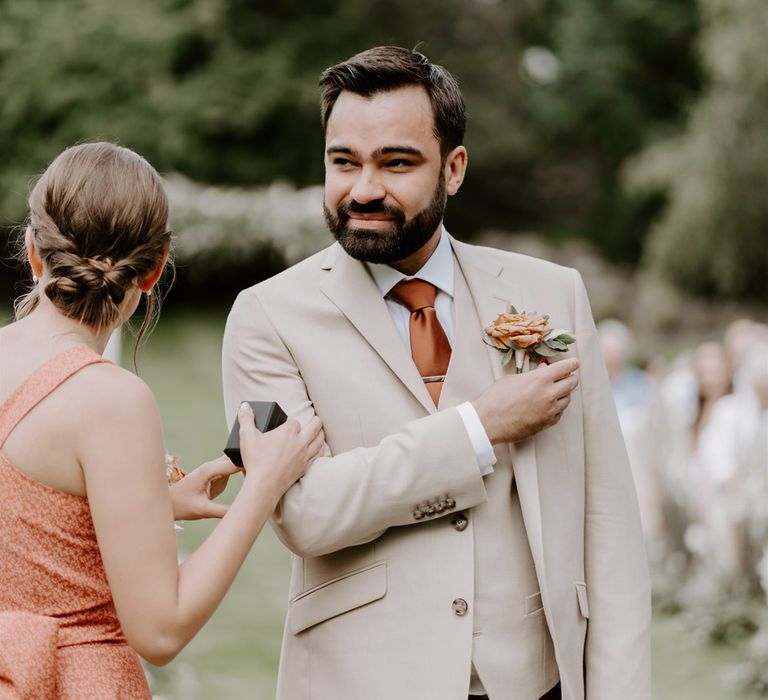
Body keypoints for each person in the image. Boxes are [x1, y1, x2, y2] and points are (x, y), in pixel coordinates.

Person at [223, 47, 650, 700]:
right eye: (344, 162)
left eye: (396, 162)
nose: (364, 189)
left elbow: (609, 531)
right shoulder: (265, 319)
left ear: (453, 169)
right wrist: (478, 427)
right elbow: (304, 511)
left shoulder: (553, 295)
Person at [0, 142, 323, 698]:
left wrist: (154, 503)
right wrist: (262, 487)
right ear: (152, 271)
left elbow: (25, 513)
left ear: (33, 250)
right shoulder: (109, 399)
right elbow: (160, 628)